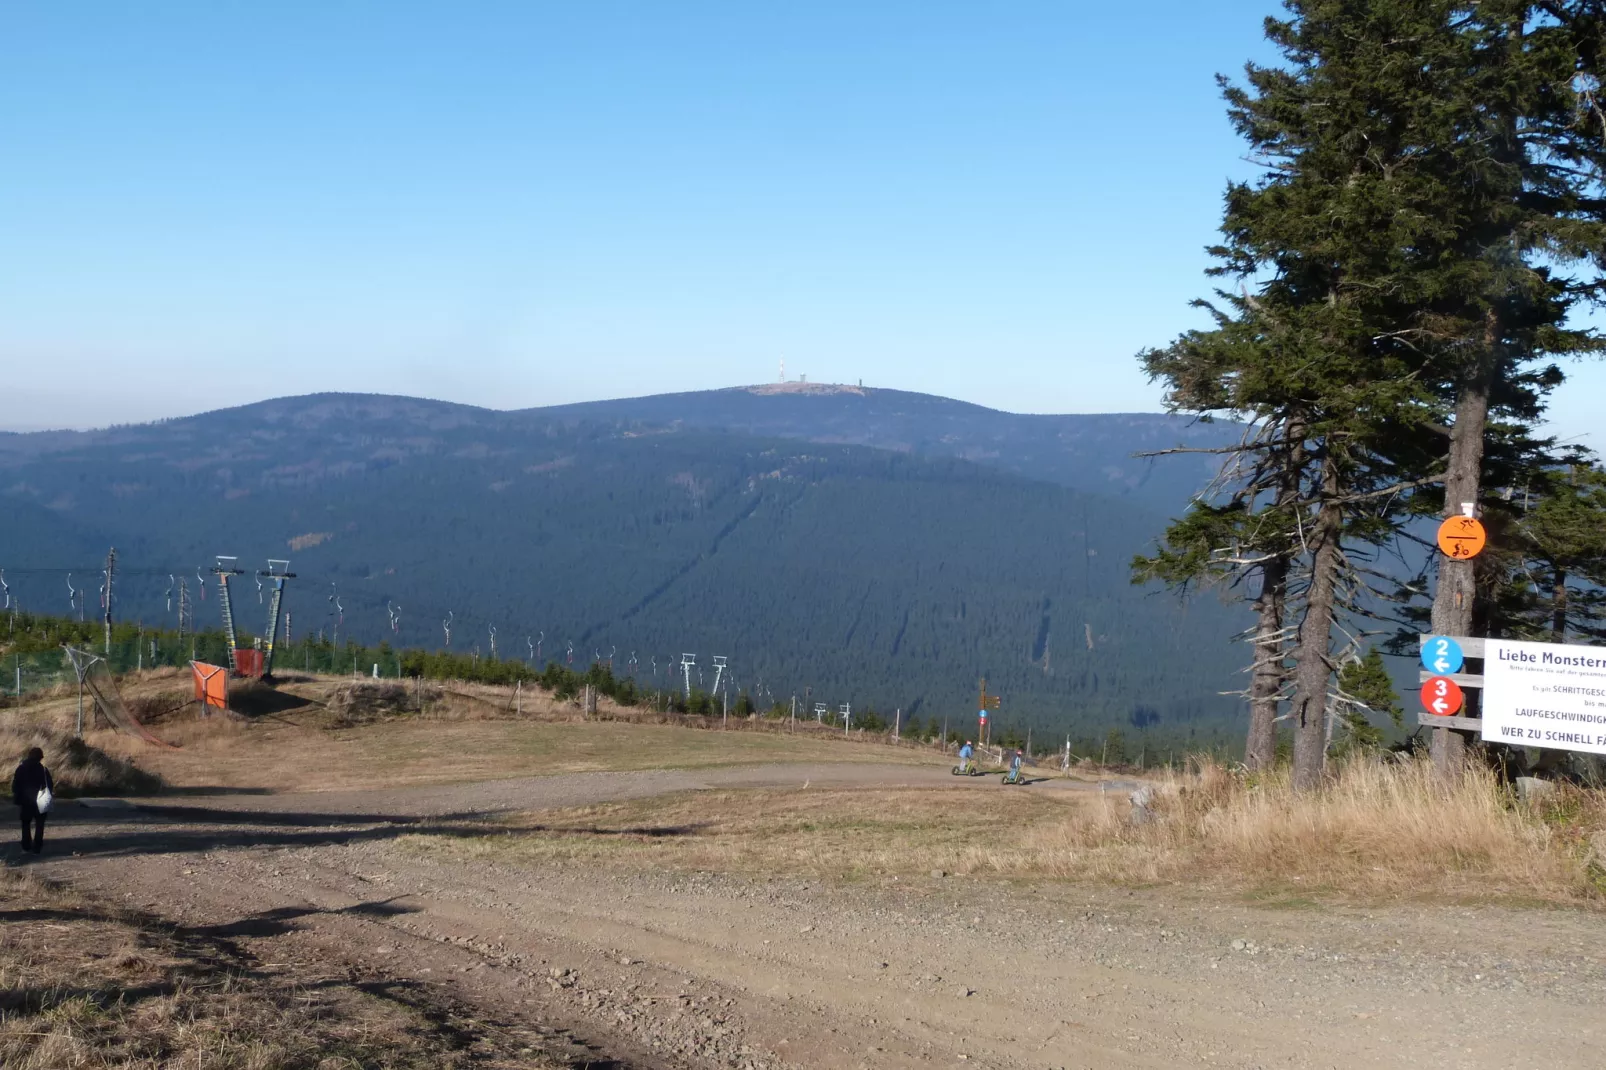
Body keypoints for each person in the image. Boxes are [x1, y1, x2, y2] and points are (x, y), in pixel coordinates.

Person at [12, 746, 53, 855]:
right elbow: (49, 785)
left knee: (26, 824)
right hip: (41, 801)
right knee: (40, 825)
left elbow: (15, 785)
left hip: (25, 801)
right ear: (40, 757)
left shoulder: (21, 768)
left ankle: (26, 847)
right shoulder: (43, 770)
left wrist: (17, 797)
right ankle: (37, 848)